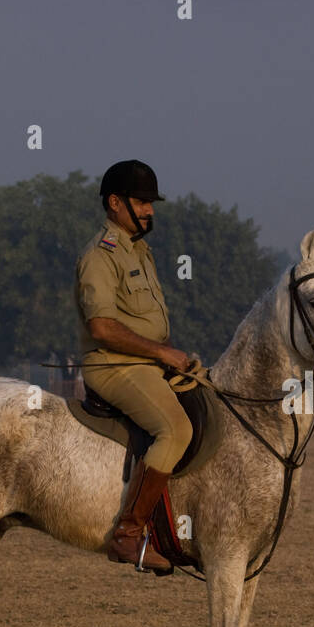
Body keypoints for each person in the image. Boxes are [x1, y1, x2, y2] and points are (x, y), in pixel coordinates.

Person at [75, 159, 193, 572]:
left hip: (147, 362)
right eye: (142, 201)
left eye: (150, 202)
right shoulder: (100, 256)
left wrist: (175, 356)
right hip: (114, 366)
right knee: (175, 429)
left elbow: (149, 323)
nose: (150, 210)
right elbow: (103, 328)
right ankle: (128, 533)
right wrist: (162, 354)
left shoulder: (140, 251)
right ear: (114, 203)